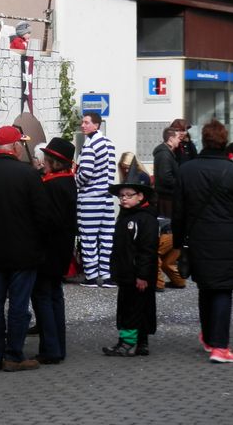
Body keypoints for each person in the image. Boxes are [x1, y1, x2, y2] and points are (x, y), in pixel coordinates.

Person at [174, 120, 233, 364]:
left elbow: (179, 212)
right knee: (223, 289)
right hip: (230, 239)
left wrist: (179, 243)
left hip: (199, 238)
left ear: (203, 140)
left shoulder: (187, 171)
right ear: (224, 141)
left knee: (205, 286)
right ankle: (220, 347)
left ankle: (209, 337)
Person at [0, 125, 51, 372]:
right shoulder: (27, 175)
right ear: (15, 147)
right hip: (24, 253)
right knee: (18, 305)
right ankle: (13, 355)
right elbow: (42, 216)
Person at [101, 181, 158, 357]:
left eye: (128, 195)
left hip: (137, 274)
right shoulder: (125, 216)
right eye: (121, 195)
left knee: (133, 308)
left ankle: (127, 343)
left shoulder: (145, 218)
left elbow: (147, 249)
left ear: (140, 196)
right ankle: (141, 342)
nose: (124, 199)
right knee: (133, 306)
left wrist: (142, 275)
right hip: (126, 272)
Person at [32, 137, 76, 364]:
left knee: (43, 297)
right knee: (55, 296)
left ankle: (50, 349)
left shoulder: (51, 186)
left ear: (52, 161)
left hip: (47, 251)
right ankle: (59, 346)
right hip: (62, 250)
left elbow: (46, 221)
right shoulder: (68, 181)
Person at [76, 111, 116, 287]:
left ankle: (91, 276)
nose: (83, 125)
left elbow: (85, 173)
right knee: (107, 238)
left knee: (89, 238)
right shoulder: (109, 143)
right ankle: (107, 276)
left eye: (86, 122)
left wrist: (75, 182)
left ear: (96, 125)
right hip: (107, 197)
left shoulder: (90, 145)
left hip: (91, 198)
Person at [153, 127, 182, 218]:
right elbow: (166, 178)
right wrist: (180, 185)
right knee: (167, 226)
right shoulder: (164, 154)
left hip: (167, 197)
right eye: (177, 137)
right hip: (166, 198)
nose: (179, 140)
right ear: (171, 139)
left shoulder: (167, 153)